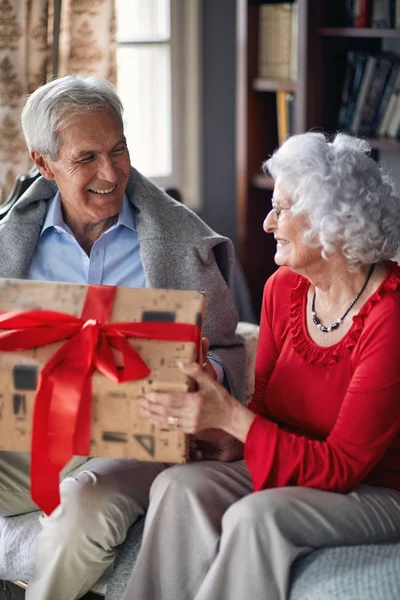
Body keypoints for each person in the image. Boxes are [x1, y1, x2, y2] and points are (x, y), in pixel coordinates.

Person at [123, 132, 400, 600]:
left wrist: (232, 417)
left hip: (377, 491)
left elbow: (343, 467)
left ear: (339, 220)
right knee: (178, 486)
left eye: (283, 208)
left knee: (257, 517)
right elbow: (264, 413)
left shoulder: (390, 317)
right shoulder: (282, 289)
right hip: (298, 464)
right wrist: (215, 421)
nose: (269, 222)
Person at [0, 74, 245, 600]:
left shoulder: (181, 243)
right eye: (86, 158)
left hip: (138, 443)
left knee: (82, 511)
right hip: (34, 433)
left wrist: (210, 377)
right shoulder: (10, 241)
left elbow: (230, 347)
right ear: (44, 164)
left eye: (119, 149)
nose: (110, 172)